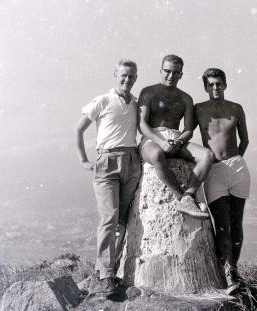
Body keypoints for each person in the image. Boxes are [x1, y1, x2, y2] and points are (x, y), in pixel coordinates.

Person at [74, 59, 142, 298]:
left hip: (132, 162)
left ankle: (111, 269)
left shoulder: (135, 104)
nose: (127, 80)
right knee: (109, 217)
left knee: (122, 219)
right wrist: (83, 160)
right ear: (116, 74)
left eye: (132, 76)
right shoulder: (103, 100)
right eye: (123, 75)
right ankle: (104, 275)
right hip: (107, 162)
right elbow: (79, 129)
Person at [194, 68, 250, 295]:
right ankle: (227, 272)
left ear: (225, 85)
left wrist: (234, 161)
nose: (215, 88)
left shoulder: (236, 109)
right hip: (214, 170)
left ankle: (232, 271)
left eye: (219, 84)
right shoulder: (198, 109)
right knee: (222, 224)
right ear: (205, 87)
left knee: (237, 223)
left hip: (237, 167)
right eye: (211, 84)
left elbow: (244, 139)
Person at [138, 54, 213, 218]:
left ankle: (188, 195)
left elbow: (188, 129)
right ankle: (182, 198)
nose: (171, 76)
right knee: (157, 155)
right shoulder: (148, 92)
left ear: (181, 74)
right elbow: (142, 124)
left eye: (175, 72)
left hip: (175, 138)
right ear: (160, 71)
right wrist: (161, 142)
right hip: (152, 138)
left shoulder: (185, 98)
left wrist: (179, 142)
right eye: (167, 71)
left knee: (207, 155)